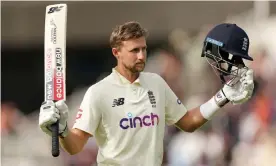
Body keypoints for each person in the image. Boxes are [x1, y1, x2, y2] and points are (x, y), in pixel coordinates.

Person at [39, 21, 254, 166]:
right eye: (134, 51)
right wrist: (63, 130)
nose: (141, 56)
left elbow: (187, 122)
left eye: (143, 49)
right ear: (116, 53)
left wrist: (223, 95)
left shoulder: (156, 84)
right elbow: (75, 146)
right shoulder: (98, 93)